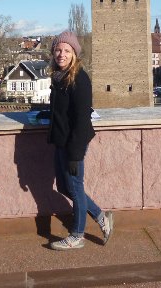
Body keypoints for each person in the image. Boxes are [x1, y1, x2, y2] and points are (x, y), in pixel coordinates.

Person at [47, 30, 113, 250]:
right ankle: (100, 216)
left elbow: (82, 120)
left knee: (75, 188)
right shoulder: (58, 77)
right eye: (58, 50)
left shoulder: (79, 79)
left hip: (73, 143)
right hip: (61, 141)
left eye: (66, 50)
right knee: (64, 187)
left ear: (74, 53)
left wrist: (75, 155)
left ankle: (77, 235)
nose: (61, 54)